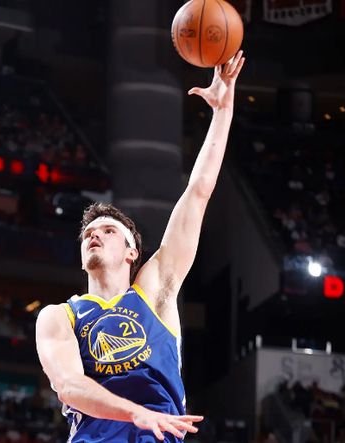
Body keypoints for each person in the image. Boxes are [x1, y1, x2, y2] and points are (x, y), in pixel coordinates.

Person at [35, 51, 245, 442]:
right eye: (89, 232)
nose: (95, 234)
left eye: (109, 230)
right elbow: (68, 386)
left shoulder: (154, 291)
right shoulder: (59, 317)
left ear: (132, 253)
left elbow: (198, 193)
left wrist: (222, 111)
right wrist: (136, 413)